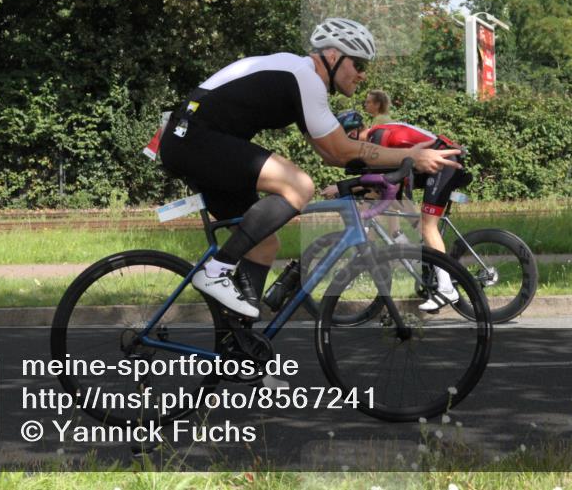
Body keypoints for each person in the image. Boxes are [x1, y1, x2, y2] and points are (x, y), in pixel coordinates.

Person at [156, 19, 462, 319]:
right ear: (332, 56)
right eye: (357, 63)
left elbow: (334, 155)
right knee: (299, 185)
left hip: (196, 142)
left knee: (263, 245)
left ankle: (237, 355)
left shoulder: (300, 80)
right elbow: (341, 150)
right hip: (193, 138)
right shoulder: (304, 77)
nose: (362, 74)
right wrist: (411, 156)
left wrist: (397, 162)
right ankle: (217, 270)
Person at [333, 110, 469, 311]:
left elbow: (380, 179)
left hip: (444, 163)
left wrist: (341, 187)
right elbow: (383, 183)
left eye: (344, 140)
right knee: (389, 197)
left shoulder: (376, 138)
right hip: (436, 162)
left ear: (352, 134)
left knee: (427, 227)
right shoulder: (376, 135)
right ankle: (411, 250)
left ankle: (446, 287)